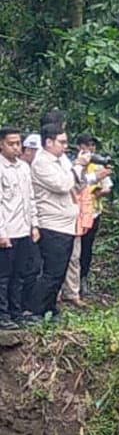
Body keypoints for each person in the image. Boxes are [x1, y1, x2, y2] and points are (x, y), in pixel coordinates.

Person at [27, 123, 79, 321]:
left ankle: (49, 308)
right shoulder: (42, 162)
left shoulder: (61, 161)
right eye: (62, 142)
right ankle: (35, 310)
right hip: (52, 224)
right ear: (48, 142)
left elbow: (75, 182)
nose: (65, 146)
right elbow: (62, 184)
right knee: (52, 271)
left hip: (66, 224)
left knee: (60, 271)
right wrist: (78, 166)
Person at [60, 132, 112, 304]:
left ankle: (80, 281)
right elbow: (71, 184)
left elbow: (107, 187)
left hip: (92, 213)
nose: (90, 149)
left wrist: (99, 192)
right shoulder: (71, 164)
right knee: (69, 251)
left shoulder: (97, 165)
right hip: (74, 213)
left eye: (92, 145)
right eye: (87, 145)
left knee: (85, 249)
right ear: (79, 147)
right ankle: (64, 287)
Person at [0, 127, 38, 329]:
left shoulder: (24, 167)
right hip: (7, 230)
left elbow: (30, 198)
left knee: (20, 274)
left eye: (18, 144)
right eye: (11, 144)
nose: (16, 147)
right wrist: (1, 232)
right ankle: (3, 315)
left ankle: (16, 312)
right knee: (3, 276)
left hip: (23, 229)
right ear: (1, 144)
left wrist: (34, 225)